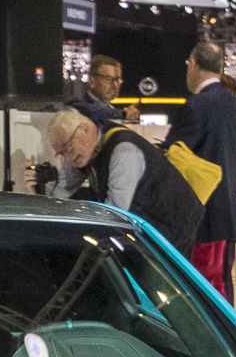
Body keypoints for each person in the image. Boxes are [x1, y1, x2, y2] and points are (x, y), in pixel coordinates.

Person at [161, 39, 236, 299]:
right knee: (220, 293)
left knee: (197, 299)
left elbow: (173, 160)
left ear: (192, 64)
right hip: (227, 218)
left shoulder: (195, 106)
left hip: (198, 222)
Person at [45, 107, 203, 255]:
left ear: (85, 130)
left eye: (68, 147)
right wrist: (48, 216)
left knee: (157, 272)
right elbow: (64, 189)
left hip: (173, 221)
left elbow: (114, 213)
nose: (66, 156)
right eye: (60, 153)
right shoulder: (85, 150)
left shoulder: (123, 150)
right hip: (147, 222)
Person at [65, 54, 127, 131]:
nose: (115, 85)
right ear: (92, 82)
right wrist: (123, 114)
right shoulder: (78, 105)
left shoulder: (110, 109)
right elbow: (91, 112)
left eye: (117, 80)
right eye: (109, 79)